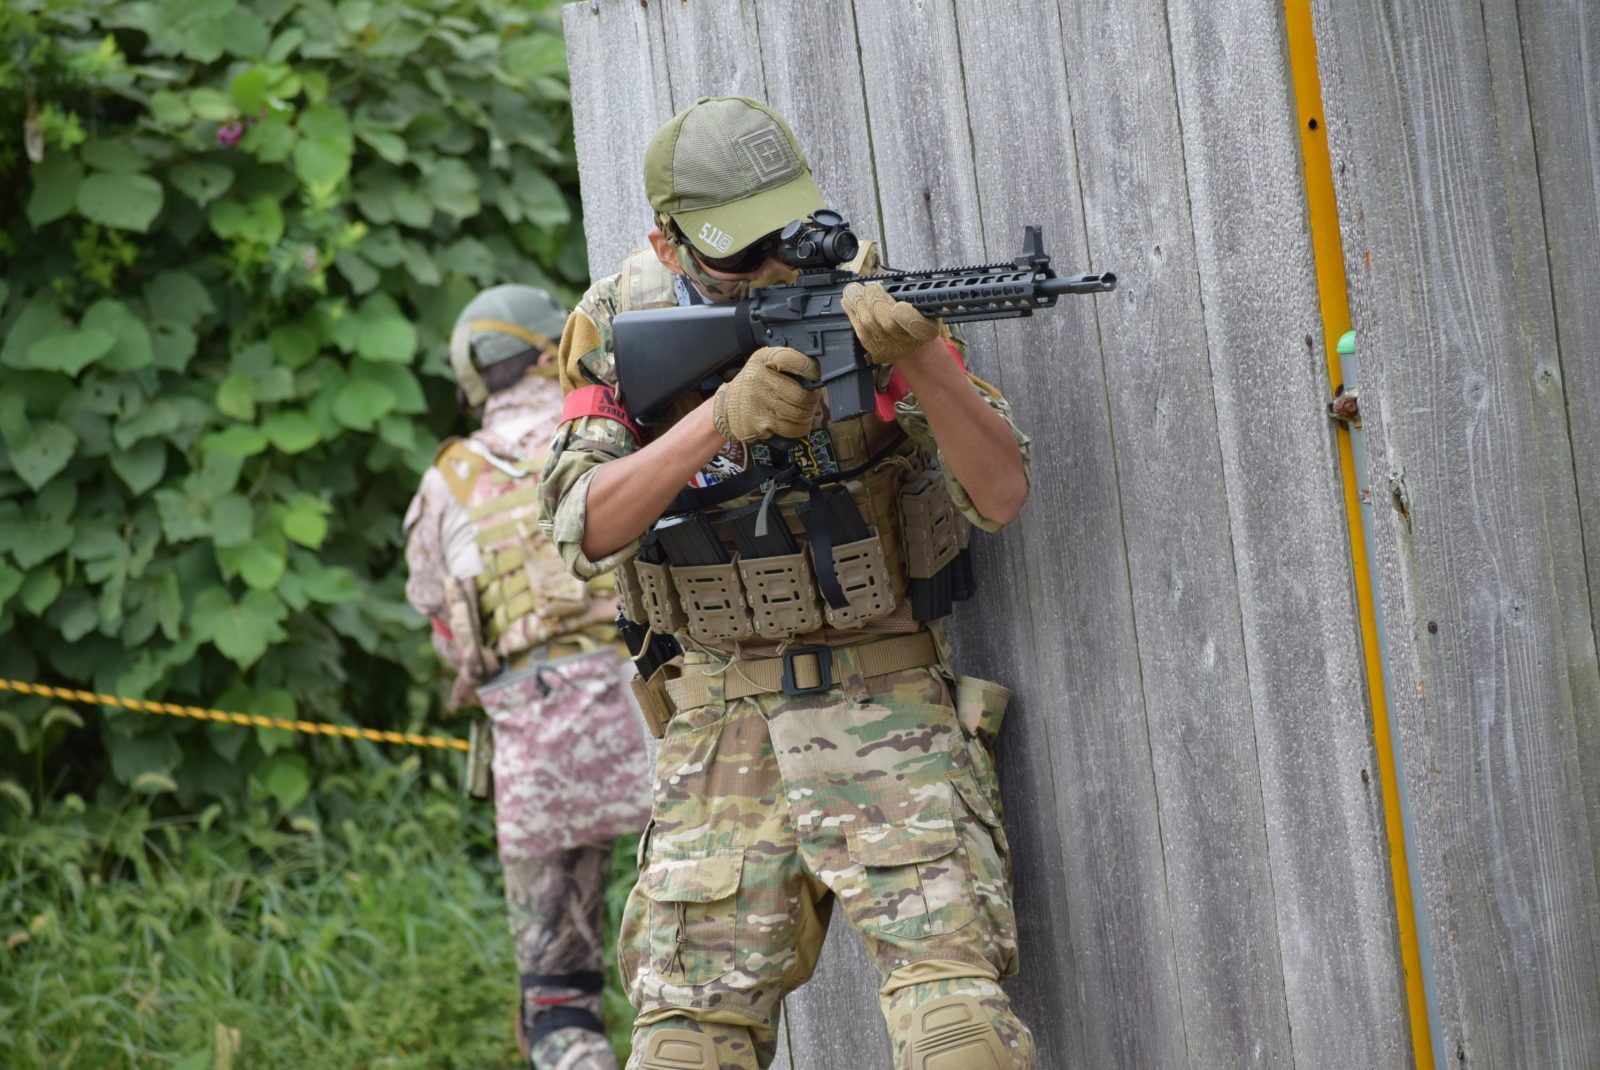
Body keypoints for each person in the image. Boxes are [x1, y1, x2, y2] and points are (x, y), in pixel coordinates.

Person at [539, 96, 1034, 1070]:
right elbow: (582, 528)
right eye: (741, 252)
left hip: (885, 697)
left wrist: (920, 357)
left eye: (784, 236)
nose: (772, 267)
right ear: (668, 242)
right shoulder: (617, 321)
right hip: (718, 721)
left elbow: (1000, 492)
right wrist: (718, 419)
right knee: (684, 1048)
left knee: (959, 1034)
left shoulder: (864, 294)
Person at [403, 285, 653, 1070]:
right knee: (703, 962)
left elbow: (447, 630)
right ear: (554, 351)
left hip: (540, 748)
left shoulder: (448, 481)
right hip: (661, 716)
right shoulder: (611, 433)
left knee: (558, 998)